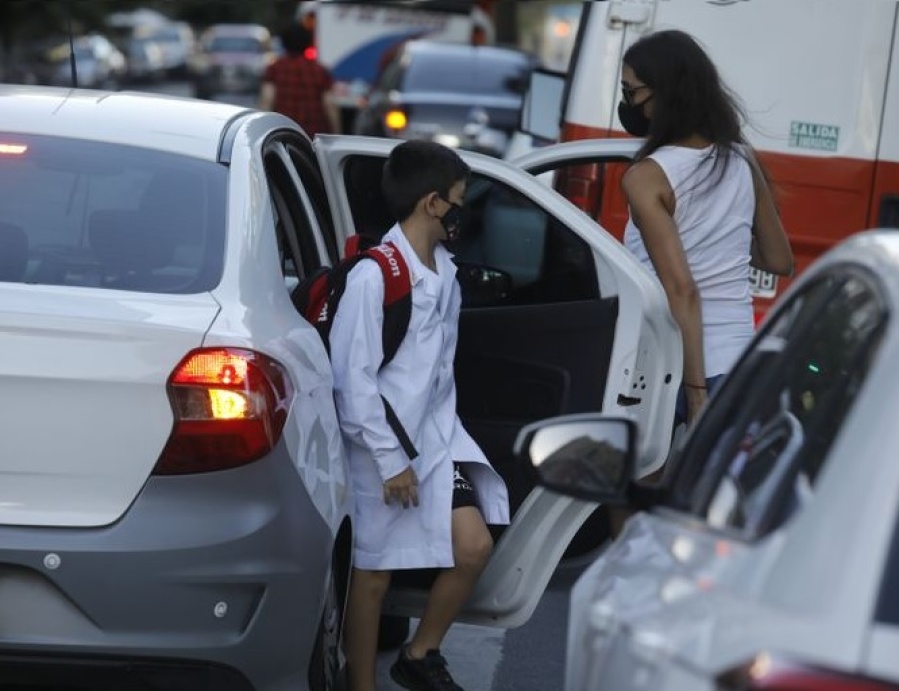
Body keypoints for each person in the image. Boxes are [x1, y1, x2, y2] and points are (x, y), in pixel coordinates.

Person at [329, 140, 509, 691]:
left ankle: (419, 653)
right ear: (433, 203)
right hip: (381, 447)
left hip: (436, 439)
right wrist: (390, 461)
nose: (462, 212)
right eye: (458, 201)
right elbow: (353, 381)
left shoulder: (445, 272)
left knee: (473, 546)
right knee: (374, 574)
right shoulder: (374, 277)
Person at [617, 29, 793, 428]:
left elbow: (682, 291)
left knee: (641, 469)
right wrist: (721, 243)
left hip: (670, 365)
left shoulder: (647, 177)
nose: (627, 101)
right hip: (736, 359)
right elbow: (779, 260)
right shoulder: (741, 160)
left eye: (631, 91)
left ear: (665, 92)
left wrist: (696, 394)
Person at [257, 21, 340, 136]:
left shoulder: (275, 69)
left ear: (284, 43)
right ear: (307, 43)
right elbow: (330, 105)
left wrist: (261, 130)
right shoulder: (320, 70)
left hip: (284, 133)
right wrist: (336, 132)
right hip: (313, 134)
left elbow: (267, 100)